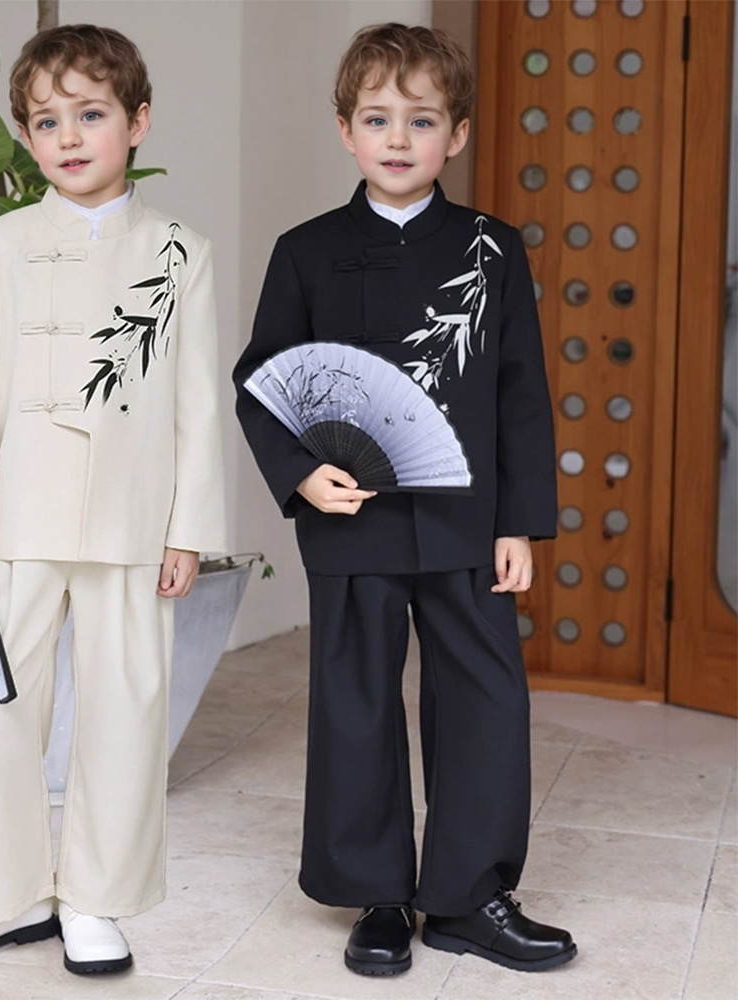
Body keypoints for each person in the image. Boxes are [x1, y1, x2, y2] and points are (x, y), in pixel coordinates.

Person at [233, 22, 576, 977]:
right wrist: (300, 473)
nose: (397, 138)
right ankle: (377, 895)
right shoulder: (305, 252)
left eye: (421, 120)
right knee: (356, 706)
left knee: (486, 702)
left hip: (468, 522)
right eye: (377, 118)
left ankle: (468, 898)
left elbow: (521, 393)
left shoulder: (494, 250)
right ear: (345, 130)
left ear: (456, 135)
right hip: (353, 521)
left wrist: (521, 523)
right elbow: (263, 384)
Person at [0, 24, 226, 976]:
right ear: (26, 137)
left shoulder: (180, 252)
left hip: (135, 519)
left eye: (91, 114)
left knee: (127, 710)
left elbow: (197, 401)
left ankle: (95, 900)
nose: (70, 137)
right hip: (16, 520)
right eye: (47, 122)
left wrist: (189, 529)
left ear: (139, 121)